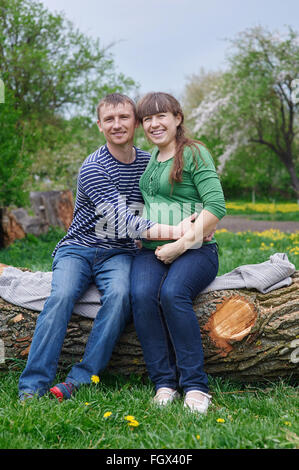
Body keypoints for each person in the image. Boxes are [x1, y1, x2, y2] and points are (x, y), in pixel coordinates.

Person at [18, 93, 196, 402]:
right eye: (109, 119)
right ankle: (32, 386)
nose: (117, 125)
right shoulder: (93, 168)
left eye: (124, 118)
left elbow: (167, 199)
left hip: (119, 253)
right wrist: (180, 230)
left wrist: (199, 223)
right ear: (100, 125)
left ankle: (81, 379)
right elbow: (126, 221)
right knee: (61, 297)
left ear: (135, 123)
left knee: (119, 298)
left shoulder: (146, 163)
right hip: (79, 248)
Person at [130, 92, 226, 414]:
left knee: (172, 294)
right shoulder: (151, 159)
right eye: (147, 119)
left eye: (162, 116)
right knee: (142, 295)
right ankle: (164, 383)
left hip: (197, 250)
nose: (154, 124)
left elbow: (216, 206)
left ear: (177, 118)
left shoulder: (194, 153)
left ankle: (196, 386)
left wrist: (180, 245)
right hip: (151, 251)